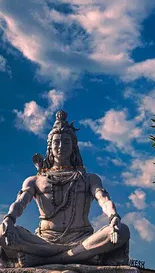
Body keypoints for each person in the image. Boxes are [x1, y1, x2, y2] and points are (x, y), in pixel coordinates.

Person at [0, 110, 130, 267]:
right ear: (50, 147)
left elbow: (103, 199)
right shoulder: (35, 180)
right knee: (2, 231)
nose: (61, 146)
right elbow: (20, 203)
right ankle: (78, 255)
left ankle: (49, 259)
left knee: (122, 230)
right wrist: (9, 219)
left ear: (74, 146)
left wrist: (113, 216)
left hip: (81, 239)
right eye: (56, 142)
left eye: (66, 142)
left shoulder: (88, 178)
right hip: (44, 240)